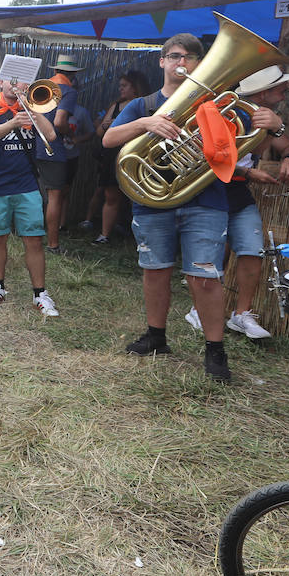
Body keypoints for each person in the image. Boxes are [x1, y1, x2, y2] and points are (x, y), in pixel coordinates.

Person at [103, 32, 233, 383]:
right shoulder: (143, 105)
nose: (182, 63)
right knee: (155, 270)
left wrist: (275, 125)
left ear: (199, 64)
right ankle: (156, 336)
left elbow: (243, 136)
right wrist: (146, 124)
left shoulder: (214, 103)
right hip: (153, 201)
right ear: (161, 61)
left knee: (204, 277)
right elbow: (109, 139)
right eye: (175, 56)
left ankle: (215, 349)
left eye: (190, 58)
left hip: (205, 201)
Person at [186, 66, 289, 341]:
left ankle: (242, 314)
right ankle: (198, 309)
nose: (285, 92)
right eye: (280, 88)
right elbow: (211, 157)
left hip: (237, 192)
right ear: (264, 92)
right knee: (211, 254)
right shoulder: (225, 110)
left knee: (253, 249)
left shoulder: (265, 115)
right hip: (211, 189)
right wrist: (249, 172)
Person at [0, 74, 59, 316]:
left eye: (22, 81)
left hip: (26, 185)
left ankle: (40, 294)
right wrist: (12, 123)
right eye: (10, 80)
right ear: (0, 82)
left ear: (28, 86)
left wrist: (32, 109)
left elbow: (51, 136)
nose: (15, 85)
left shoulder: (32, 110)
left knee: (33, 239)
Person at [89, 70, 151, 244]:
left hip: (136, 154)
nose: (120, 89)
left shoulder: (144, 106)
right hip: (113, 154)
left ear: (135, 87)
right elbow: (100, 133)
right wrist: (105, 124)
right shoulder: (115, 105)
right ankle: (104, 235)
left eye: (124, 86)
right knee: (111, 194)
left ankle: (137, 235)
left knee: (138, 195)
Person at [35, 55, 84, 252]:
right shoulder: (68, 91)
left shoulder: (40, 87)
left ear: (55, 71)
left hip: (32, 145)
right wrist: (70, 134)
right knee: (55, 197)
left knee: (32, 195)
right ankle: (53, 244)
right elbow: (59, 122)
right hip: (52, 149)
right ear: (73, 75)